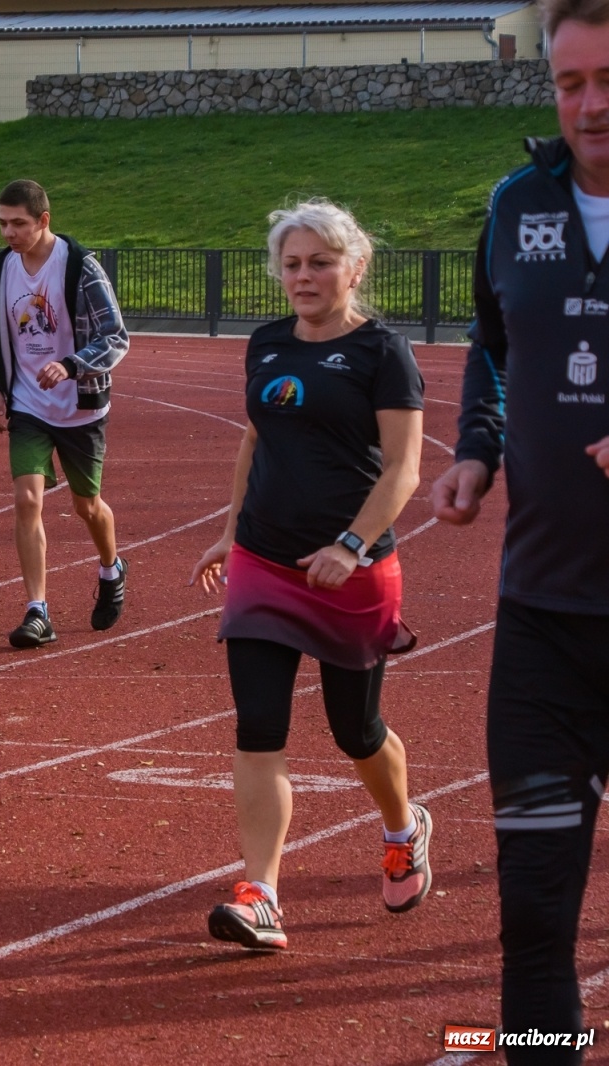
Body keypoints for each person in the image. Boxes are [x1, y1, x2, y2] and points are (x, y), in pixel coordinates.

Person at [429, 0, 609, 1053]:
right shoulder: (513, 206)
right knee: (534, 913)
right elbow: (489, 348)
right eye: (571, 82)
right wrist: (475, 449)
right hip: (541, 623)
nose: (591, 106)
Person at [189, 199, 431, 951]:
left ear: (353, 268)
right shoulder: (263, 344)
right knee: (259, 727)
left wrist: (351, 546)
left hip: (350, 572)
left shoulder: (382, 352)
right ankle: (261, 892)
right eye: (291, 264)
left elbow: (405, 468)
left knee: (354, 731)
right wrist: (230, 533)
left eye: (320, 263)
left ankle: (403, 826)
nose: (304, 276)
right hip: (263, 561)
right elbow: (255, 441)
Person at [0, 179, 131, 647]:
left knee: (87, 507)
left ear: (43, 220)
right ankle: (37, 610)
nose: (9, 232)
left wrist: (70, 367)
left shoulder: (80, 267)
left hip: (81, 406)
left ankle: (111, 569)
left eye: (18, 223)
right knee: (27, 500)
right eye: (2, 223)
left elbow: (115, 336)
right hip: (28, 406)